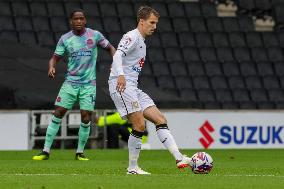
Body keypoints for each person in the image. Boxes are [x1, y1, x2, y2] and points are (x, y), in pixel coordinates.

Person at [108, 6, 192, 174]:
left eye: (156, 23)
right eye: (152, 22)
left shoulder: (142, 42)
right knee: (139, 124)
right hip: (122, 85)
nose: (154, 26)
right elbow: (117, 55)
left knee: (160, 119)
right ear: (141, 21)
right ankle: (132, 168)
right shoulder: (132, 36)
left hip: (133, 87)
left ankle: (179, 158)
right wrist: (121, 75)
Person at [33, 9, 116, 161]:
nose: (79, 21)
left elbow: (111, 48)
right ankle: (45, 151)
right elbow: (54, 58)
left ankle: (79, 152)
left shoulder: (94, 35)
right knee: (58, 112)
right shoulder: (65, 39)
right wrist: (51, 67)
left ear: (85, 20)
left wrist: (115, 62)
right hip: (70, 83)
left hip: (88, 84)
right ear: (71, 21)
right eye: (76, 19)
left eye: (81, 18)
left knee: (86, 117)